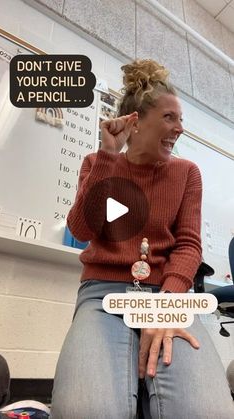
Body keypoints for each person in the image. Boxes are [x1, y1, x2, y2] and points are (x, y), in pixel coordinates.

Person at [50, 59, 234, 418]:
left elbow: (188, 245)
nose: (180, 129)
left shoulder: (187, 173)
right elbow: (83, 230)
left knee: (207, 412)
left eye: (181, 120)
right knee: (83, 410)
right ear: (135, 122)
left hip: (167, 294)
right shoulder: (96, 162)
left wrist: (166, 307)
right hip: (103, 292)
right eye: (170, 117)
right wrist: (107, 157)